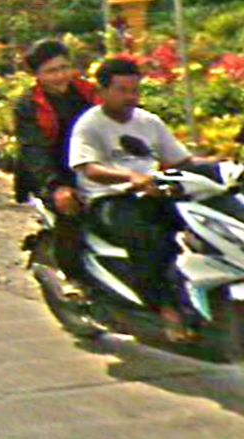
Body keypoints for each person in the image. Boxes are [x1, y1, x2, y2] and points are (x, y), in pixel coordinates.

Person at [69, 57, 215, 341]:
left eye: (135, 90)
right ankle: (164, 308)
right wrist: (129, 176)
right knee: (150, 238)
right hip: (109, 200)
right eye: (122, 90)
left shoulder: (149, 122)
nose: (131, 97)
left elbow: (181, 160)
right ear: (102, 92)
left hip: (154, 194)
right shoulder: (89, 124)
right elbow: (89, 168)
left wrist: (219, 165)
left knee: (203, 223)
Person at [14, 38, 96, 282]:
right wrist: (57, 187)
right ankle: (73, 279)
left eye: (64, 68)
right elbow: (34, 151)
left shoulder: (90, 93)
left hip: (93, 165)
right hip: (54, 171)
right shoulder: (29, 106)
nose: (60, 76)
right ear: (37, 75)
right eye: (51, 71)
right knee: (71, 215)